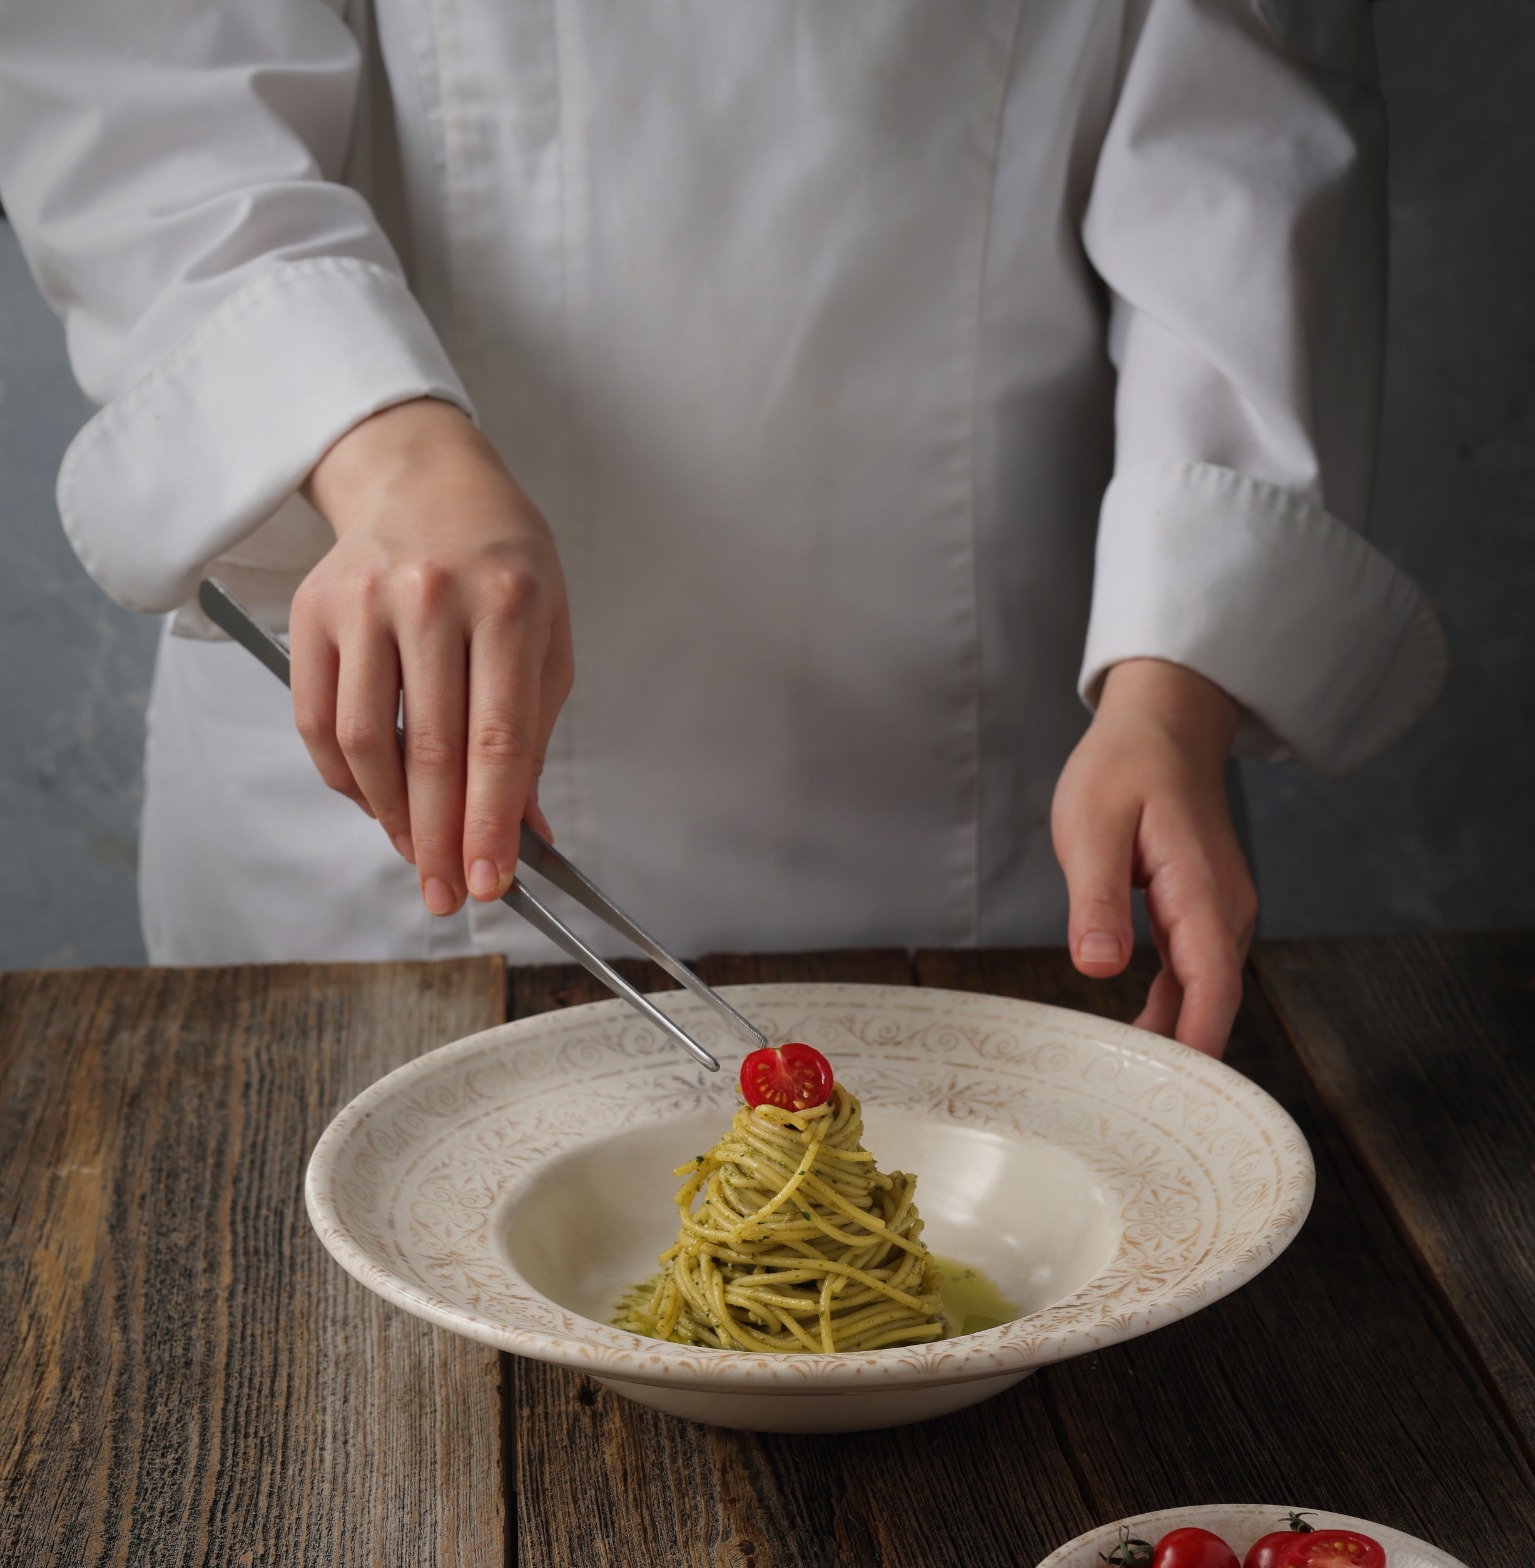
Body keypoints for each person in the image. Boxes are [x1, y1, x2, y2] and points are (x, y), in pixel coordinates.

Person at [0, 0, 1442, 1056]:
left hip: (987, 818)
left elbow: (1243, 151)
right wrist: (381, 446)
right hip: (372, 852)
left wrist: (1170, 695)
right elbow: (140, 91)